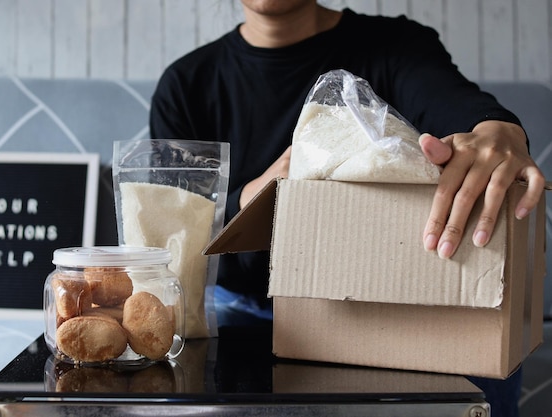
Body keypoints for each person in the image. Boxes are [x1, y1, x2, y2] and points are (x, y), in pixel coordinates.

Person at [149, 2, 545, 416]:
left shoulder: (394, 45)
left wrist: (498, 130)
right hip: (240, 309)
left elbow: (460, 107)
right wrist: (255, 198)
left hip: (389, 299)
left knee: (477, 386)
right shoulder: (186, 84)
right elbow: (174, 254)